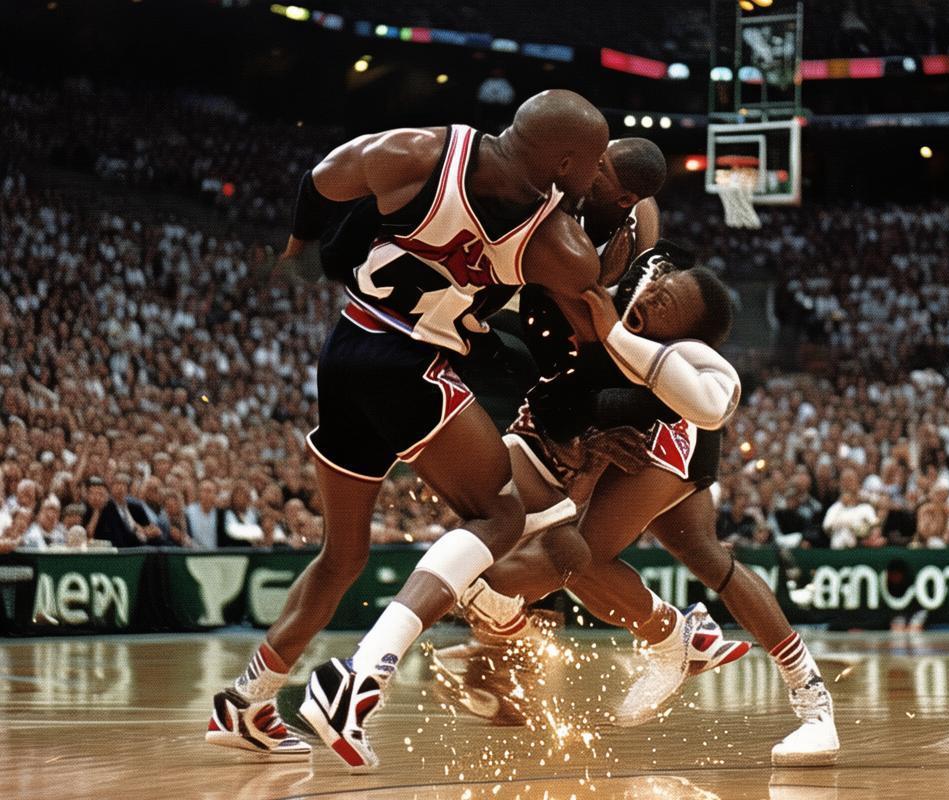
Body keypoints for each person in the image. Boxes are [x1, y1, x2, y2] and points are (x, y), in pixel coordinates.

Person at [208, 90, 718, 768]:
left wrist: (299, 249)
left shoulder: (419, 150)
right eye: (595, 161)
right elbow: (596, 321)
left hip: (347, 348)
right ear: (566, 163)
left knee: (343, 556)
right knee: (501, 514)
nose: (600, 172)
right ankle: (359, 678)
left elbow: (324, 178)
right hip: (408, 365)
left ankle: (246, 702)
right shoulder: (554, 242)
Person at [457, 245, 838, 765]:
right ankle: (779, 685)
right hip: (644, 429)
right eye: (659, 286)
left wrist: (612, 336)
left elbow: (704, 402)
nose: (654, 296)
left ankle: (678, 642)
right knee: (705, 558)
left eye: (667, 304)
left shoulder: (679, 354)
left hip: (671, 433)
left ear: (683, 335)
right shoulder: (627, 281)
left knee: (581, 558)